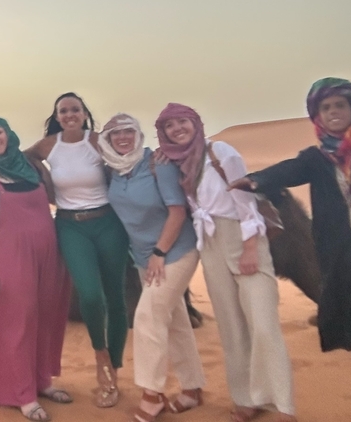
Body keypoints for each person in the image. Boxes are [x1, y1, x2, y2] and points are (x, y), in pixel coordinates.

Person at [231, 79, 351, 422]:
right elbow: (285, 172)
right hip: (344, 259)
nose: (333, 112)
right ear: (317, 116)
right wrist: (253, 181)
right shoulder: (317, 158)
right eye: (326, 108)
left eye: (339, 105)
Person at [155, 103, 295, 422]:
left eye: (182, 122)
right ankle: (245, 399)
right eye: (169, 127)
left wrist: (249, 249)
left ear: (196, 123)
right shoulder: (179, 162)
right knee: (231, 326)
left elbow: (245, 202)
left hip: (242, 236)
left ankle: (283, 406)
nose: (177, 130)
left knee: (263, 323)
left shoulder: (220, 152)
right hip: (210, 243)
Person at [99, 113, 204, 421]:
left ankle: (151, 393)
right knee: (175, 323)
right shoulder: (114, 170)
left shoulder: (158, 164)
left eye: (128, 131)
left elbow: (177, 212)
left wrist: (160, 251)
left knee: (147, 318)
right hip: (144, 258)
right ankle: (192, 388)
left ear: (138, 134)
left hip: (175, 251)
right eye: (115, 133)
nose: (122, 137)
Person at [26, 92, 128, 408]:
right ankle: (100, 356)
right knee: (90, 295)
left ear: (84, 114)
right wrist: (45, 179)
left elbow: (129, 156)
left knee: (116, 297)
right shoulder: (48, 145)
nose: (69, 114)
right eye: (63, 110)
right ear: (56, 116)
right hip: (71, 227)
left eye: (75, 109)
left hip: (109, 223)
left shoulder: (98, 141)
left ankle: (114, 370)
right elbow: (19, 157)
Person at [0, 116, 72, 422]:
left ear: (9, 134)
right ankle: (22, 394)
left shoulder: (33, 169)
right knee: (18, 322)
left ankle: (42, 382)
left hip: (48, 255)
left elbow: (56, 199)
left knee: (45, 317)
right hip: (9, 258)